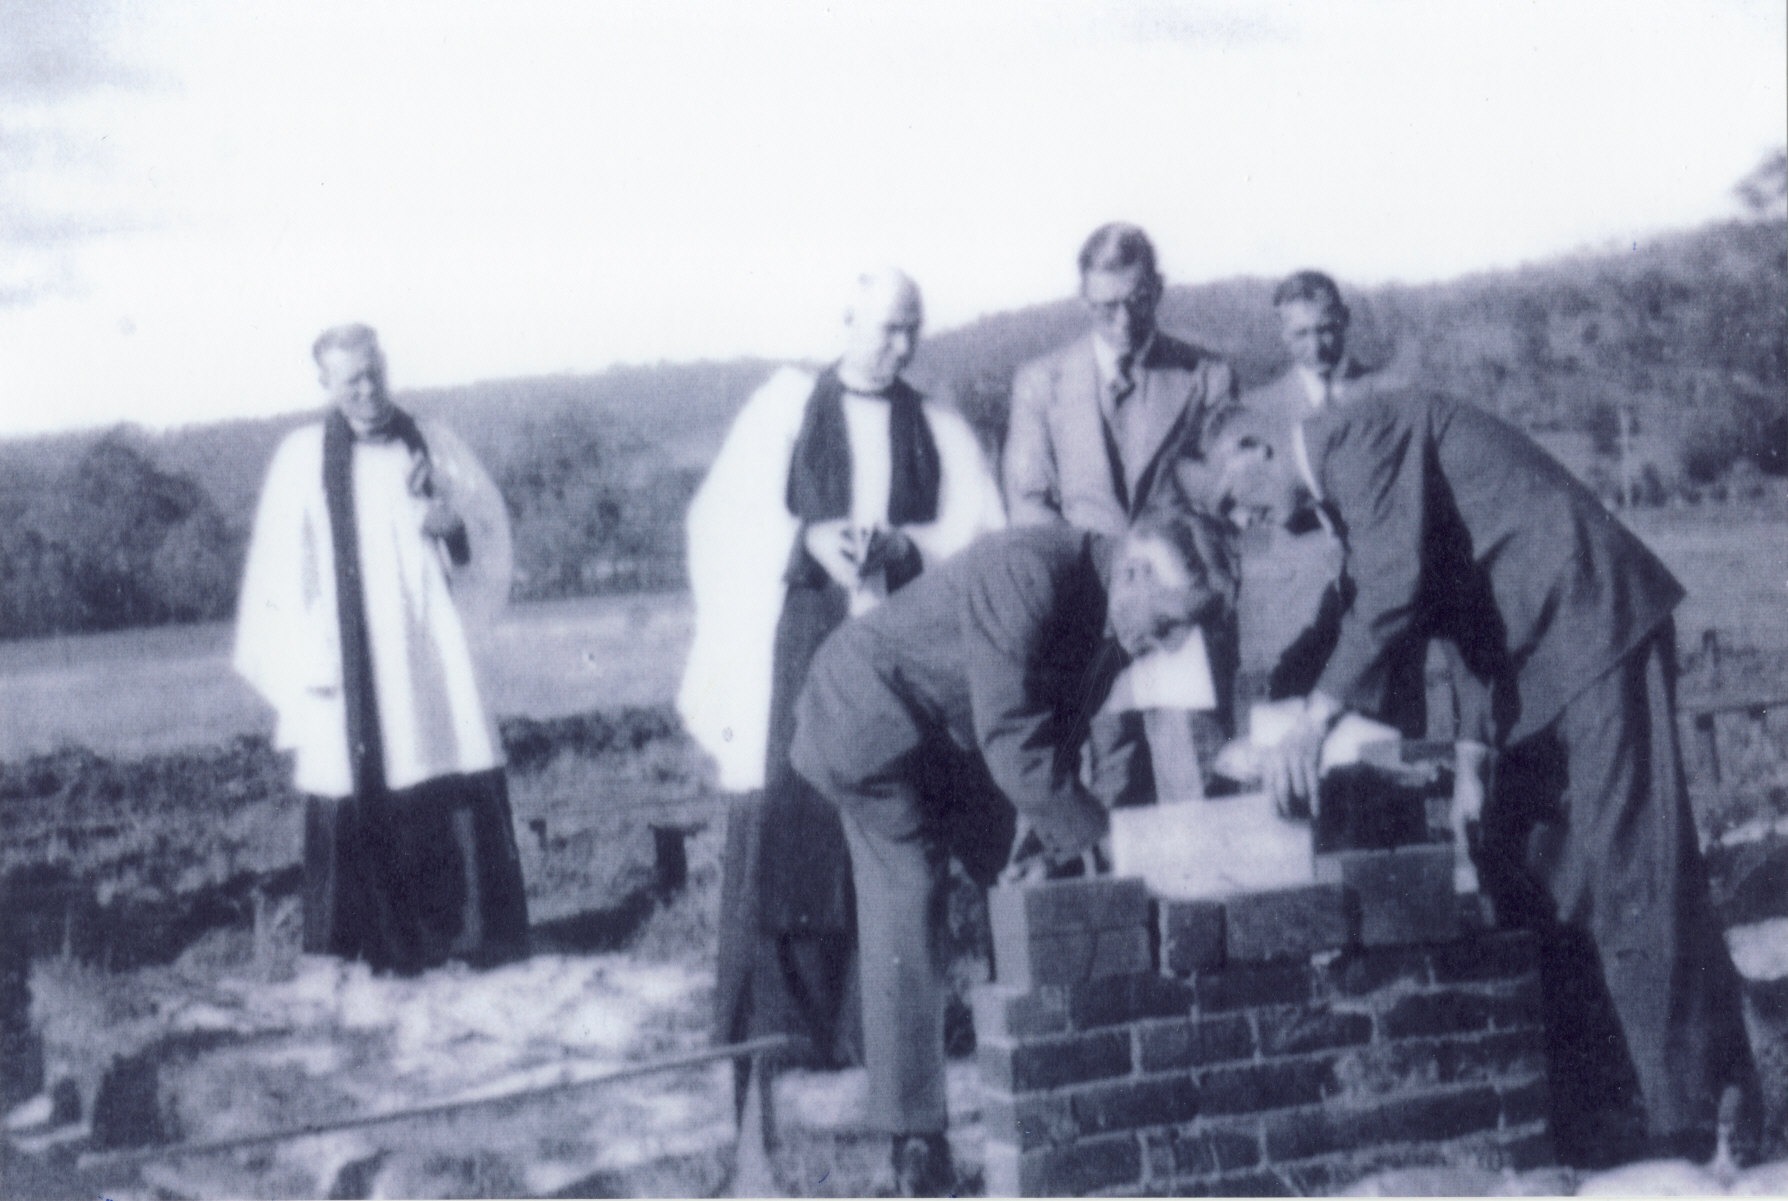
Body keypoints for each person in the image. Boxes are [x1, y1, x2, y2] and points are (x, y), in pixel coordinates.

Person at [1203, 391, 1758, 1167]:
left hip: (1591, 627)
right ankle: (1614, 1108)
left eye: (1235, 499)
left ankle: (1701, 1123)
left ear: (1258, 446)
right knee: (1543, 875)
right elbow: (1453, 616)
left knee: (1636, 871)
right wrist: (1471, 760)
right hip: (1534, 667)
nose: (1242, 519)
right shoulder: (1352, 483)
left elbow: (1394, 593)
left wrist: (1311, 726)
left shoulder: (1353, 438)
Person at [790, 515, 1237, 1196]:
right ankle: (915, 1147)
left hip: (952, 736)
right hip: (867, 719)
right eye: (1170, 623)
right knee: (908, 900)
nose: (1169, 644)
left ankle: (1043, 1091)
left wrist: (1048, 845)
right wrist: (1106, 842)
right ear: (1138, 574)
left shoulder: (1113, 608)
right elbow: (1014, 741)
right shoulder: (1031, 569)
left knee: (1031, 885)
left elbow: (1052, 732)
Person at [677, 269, 1004, 1111]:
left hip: (895, 663)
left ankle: (875, 1026)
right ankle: (780, 1029)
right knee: (793, 813)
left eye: (912, 331)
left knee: (888, 826)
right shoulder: (785, 408)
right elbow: (723, 524)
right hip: (799, 641)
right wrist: (809, 542)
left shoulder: (934, 423)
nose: (898, 346)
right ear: (846, 319)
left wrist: (907, 547)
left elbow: (979, 534)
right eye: (884, 328)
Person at [234, 323, 527, 975]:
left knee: (442, 762)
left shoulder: (435, 443)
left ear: (385, 366)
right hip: (351, 664)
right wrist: (311, 652)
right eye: (350, 380)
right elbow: (282, 572)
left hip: (428, 659)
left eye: (374, 373)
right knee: (351, 777)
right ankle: (356, 949)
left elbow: (487, 531)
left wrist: (452, 530)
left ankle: (465, 937)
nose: (367, 390)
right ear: (326, 384)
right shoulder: (303, 457)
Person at [1002, 222, 1239, 804]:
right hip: (1091, 613)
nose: (1123, 321)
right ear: (1084, 298)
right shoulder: (1040, 384)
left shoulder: (1208, 376)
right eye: (1106, 307)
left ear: (1157, 289)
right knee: (1106, 783)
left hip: (1182, 615)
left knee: (1199, 784)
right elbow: (1029, 505)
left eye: (1136, 302)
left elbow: (1225, 500)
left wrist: (1168, 587)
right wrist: (1107, 590)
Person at [1239, 269, 1426, 732]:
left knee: (1383, 746)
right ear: (1283, 333)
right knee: (1297, 746)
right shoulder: (1257, 409)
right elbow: (1247, 506)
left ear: (1344, 320)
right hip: (1297, 610)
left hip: (1380, 603)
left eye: (1326, 329)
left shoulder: (1388, 396)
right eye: (1301, 333)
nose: (1316, 346)